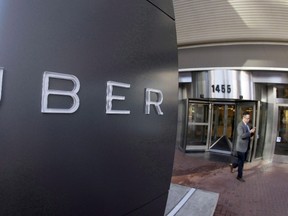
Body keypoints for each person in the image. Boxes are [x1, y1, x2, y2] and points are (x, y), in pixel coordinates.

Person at [229, 112, 256, 182]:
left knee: (241, 161)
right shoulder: (240, 125)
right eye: (247, 118)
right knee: (241, 162)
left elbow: (248, 135)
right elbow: (242, 136)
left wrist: (252, 133)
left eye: (249, 118)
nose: (248, 119)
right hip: (241, 147)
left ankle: (233, 165)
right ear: (243, 118)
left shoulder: (247, 125)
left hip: (246, 147)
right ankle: (239, 176)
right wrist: (250, 132)